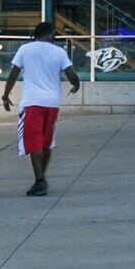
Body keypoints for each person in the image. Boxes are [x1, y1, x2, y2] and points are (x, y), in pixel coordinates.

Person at [9, 19, 82, 196]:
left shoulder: (25, 49)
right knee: (46, 141)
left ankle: (39, 181)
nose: (54, 36)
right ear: (48, 34)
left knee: (34, 142)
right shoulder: (59, 52)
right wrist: (76, 85)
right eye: (53, 33)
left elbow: (13, 73)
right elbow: (71, 73)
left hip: (32, 102)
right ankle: (41, 177)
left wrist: (5, 95)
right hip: (52, 102)